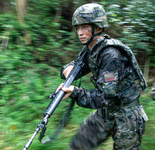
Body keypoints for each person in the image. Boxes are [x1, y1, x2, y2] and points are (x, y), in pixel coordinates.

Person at [57, 3, 148, 150]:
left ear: (98, 28)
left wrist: (75, 92)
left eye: (85, 27)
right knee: (78, 145)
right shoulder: (91, 50)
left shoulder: (110, 54)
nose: (80, 32)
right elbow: (75, 69)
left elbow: (104, 97)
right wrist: (66, 70)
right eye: (78, 28)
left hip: (127, 116)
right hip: (106, 113)